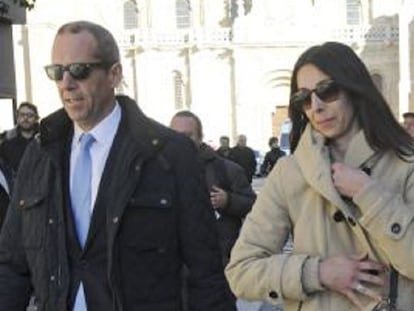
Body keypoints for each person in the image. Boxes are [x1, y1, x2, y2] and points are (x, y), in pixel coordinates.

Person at [0, 20, 236, 311]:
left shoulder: (170, 155)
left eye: (79, 70)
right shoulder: (39, 153)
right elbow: (12, 265)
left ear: (114, 74)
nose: (66, 83)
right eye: (57, 72)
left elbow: (205, 271)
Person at [225, 41, 414, 311]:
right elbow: (241, 271)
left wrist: (369, 195)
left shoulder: (405, 162)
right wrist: (318, 273)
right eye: (303, 98)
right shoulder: (289, 172)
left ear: (354, 88)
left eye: (327, 90)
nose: (316, 106)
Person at [170, 111, 256, 265]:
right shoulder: (160, 170)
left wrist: (228, 200)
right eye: (176, 135)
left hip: (219, 257)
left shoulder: (227, 169)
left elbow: (253, 204)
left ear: (200, 137)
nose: (181, 141)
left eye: (188, 135)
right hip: (177, 261)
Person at [0, 102, 39, 175]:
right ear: (17, 117)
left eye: (30, 115)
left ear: (36, 118)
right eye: (22, 115)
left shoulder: (44, 141)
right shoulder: (7, 143)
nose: (25, 118)